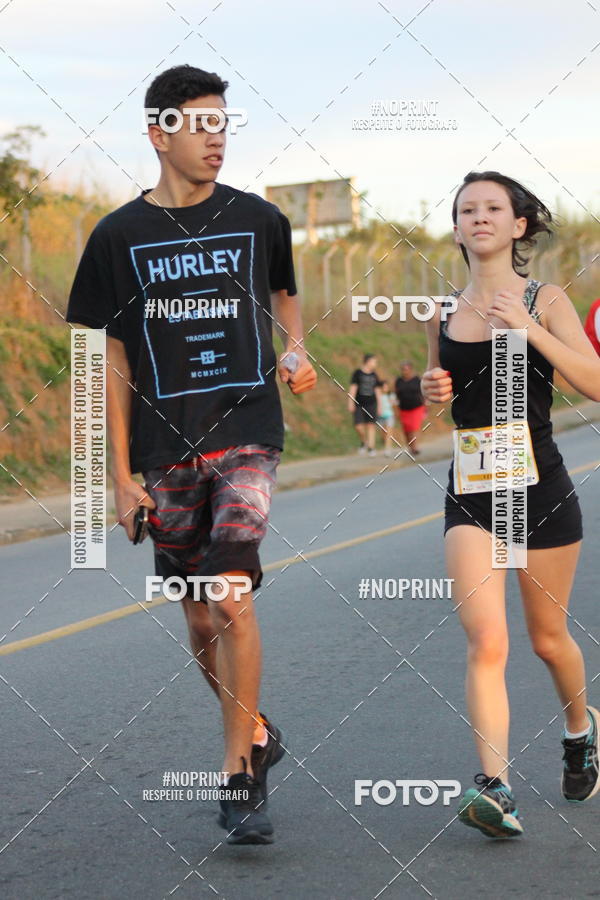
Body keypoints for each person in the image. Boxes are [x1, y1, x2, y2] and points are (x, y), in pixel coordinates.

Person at [66, 64, 317, 845]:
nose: (215, 137)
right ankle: (257, 733)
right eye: (199, 124)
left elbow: (283, 292)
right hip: (161, 446)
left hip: (247, 431)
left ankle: (238, 778)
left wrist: (296, 347)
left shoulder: (259, 218)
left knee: (230, 594)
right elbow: (103, 359)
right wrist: (113, 474)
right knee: (201, 621)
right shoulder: (116, 238)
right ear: (158, 133)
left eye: (222, 123)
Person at [421, 170, 600, 839]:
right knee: (486, 641)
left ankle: (582, 731)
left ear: (520, 224)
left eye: (493, 207)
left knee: (548, 640)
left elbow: (594, 382)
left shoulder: (544, 298)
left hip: (542, 488)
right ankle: (495, 788)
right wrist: (432, 390)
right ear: (458, 226)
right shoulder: (439, 312)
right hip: (472, 492)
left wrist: (529, 327)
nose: (480, 217)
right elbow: (441, 407)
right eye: (467, 208)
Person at [348, 353, 381, 456]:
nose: (376, 364)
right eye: (374, 361)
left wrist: (380, 405)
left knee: (371, 425)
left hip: (371, 404)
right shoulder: (357, 373)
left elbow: (377, 390)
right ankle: (364, 441)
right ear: (368, 361)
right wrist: (350, 402)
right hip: (359, 404)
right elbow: (353, 388)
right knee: (358, 426)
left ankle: (371, 448)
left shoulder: (374, 375)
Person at [394, 361, 426, 454]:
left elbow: (423, 393)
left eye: (407, 369)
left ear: (411, 370)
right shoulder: (398, 381)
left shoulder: (417, 380)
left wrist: (426, 406)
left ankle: (415, 447)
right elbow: (395, 395)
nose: (405, 372)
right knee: (407, 430)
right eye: (403, 370)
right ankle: (410, 447)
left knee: (414, 427)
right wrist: (395, 408)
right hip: (403, 408)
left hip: (417, 407)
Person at [377, 380, 396, 456]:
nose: (385, 388)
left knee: (389, 432)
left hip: (389, 415)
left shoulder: (391, 395)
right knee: (383, 433)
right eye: (384, 387)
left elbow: (394, 404)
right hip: (380, 416)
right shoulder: (378, 396)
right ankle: (385, 444)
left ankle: (387, 448)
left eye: (386, 387)